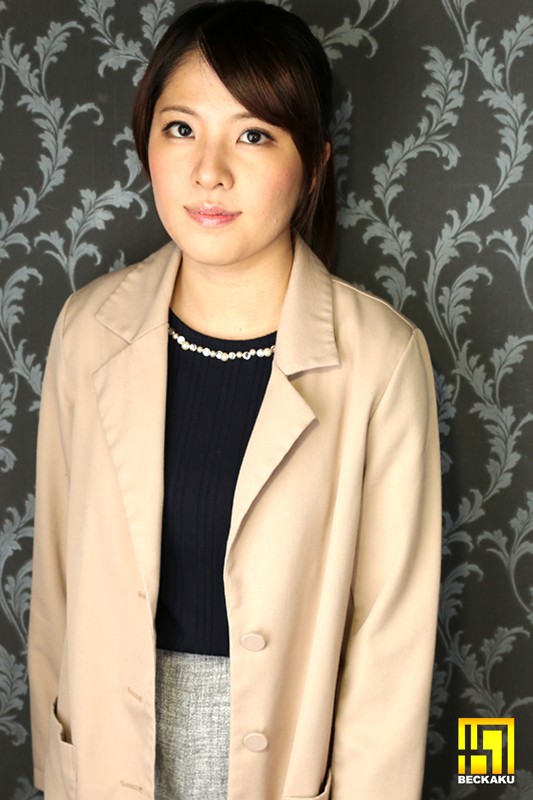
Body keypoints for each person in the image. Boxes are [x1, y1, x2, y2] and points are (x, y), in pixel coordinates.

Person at [28, 2, 441, 799]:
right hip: (107, 750)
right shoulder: (87, 330)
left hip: (285, 758)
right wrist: (59, 768)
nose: (208, 171)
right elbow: (58, 588)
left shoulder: (381, 359)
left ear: (312, 163)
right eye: (181, 129)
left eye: (253, 135)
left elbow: (389, 641)